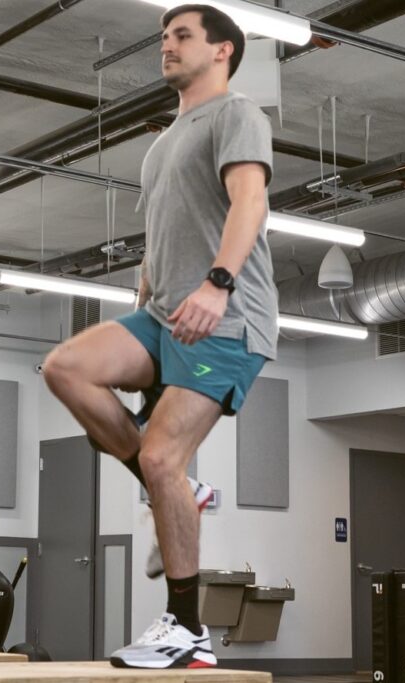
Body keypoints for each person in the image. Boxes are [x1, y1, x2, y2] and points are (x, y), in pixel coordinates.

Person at [42, 4, 276, 669]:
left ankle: (187, 626)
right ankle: (171, 491)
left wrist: (219, 281)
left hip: (228, 317)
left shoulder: (238, 115)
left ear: (223, 51)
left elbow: (248, 202)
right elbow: (170, 229)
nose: (166, 47)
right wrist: (145, 289)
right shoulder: (162, 140)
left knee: (163, 457)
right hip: (165, 311)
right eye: (163, 37)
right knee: (66, 367)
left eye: (182, 37)